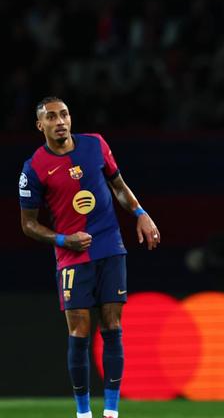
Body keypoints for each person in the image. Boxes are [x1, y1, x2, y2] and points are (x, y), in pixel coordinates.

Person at [18, 97, 160, 418]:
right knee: (80, 332)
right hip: (72, 257)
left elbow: (119, 186)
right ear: (40, 125)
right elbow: (27, 224)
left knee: (112, 326)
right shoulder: (34, 169)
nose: (60, 121)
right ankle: (83, 414)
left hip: (110, 247)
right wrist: (63, 239)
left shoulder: (95, 145)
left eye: (64, 114)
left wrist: (140, 212)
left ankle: (111, 412)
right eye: (51, 117)